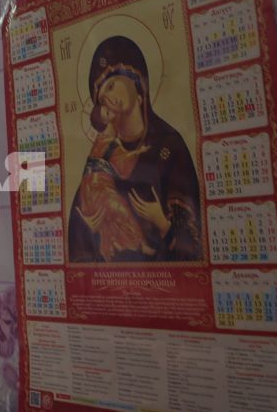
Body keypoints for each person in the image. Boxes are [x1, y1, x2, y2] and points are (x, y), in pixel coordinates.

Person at [66, 34, 203, 262]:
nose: (108, 98)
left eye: (111, 86)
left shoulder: (169, 146)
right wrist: (87, 225)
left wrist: (162, 222)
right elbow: (79, 227)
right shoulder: (103, 152)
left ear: (137, 80)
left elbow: (192, 241)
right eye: (102, 98)